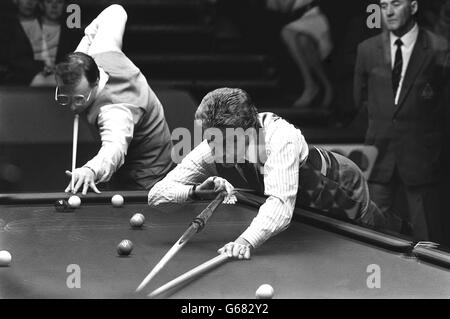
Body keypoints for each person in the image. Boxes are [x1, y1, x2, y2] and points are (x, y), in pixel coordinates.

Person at [148, 88, 385, 260]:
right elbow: (156, 196)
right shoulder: (213, 146)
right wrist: (195, 191)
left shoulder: (280, 138)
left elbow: (281, 205)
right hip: (298, 200)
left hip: (335, 184)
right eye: (209, 138)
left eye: (223, 142)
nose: (213, 149)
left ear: (248, 132)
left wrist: (245, 240)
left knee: (374, 235)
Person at [354, 0, 449, 242]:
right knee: (373, 233)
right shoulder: (367, 49)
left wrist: (433, 148)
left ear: (414, 7)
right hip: (379, 152)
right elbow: (360, 100)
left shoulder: (439, 48)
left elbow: (444, 108)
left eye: (396, 4)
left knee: (427, 236)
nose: (389, 11)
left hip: (422, 155)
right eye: (384, 5)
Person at [54, 5, 174, 194]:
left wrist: (90, 169)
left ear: (95, 83)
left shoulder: (116, 109)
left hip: (147, 178)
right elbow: (116, 10)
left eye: (78, 99)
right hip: (130, 168)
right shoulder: (100, 52)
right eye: (64, 98)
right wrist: (82, 52)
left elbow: (114, 148)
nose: (72, 107)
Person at [267, 0, 333, 108]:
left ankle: (310, 84)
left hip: (316, 14)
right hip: (301, 18)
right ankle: (327, 85)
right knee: (303, 42)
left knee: (287, 32)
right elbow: (278, 7)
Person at [0, 0, 80, 86]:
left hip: (58, 81)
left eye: (59, 2)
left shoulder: (71, 34)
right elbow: (16, 58)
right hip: (28, 80)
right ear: (41, 5)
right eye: (49, 2)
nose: (54, 6)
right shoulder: (23, 27)